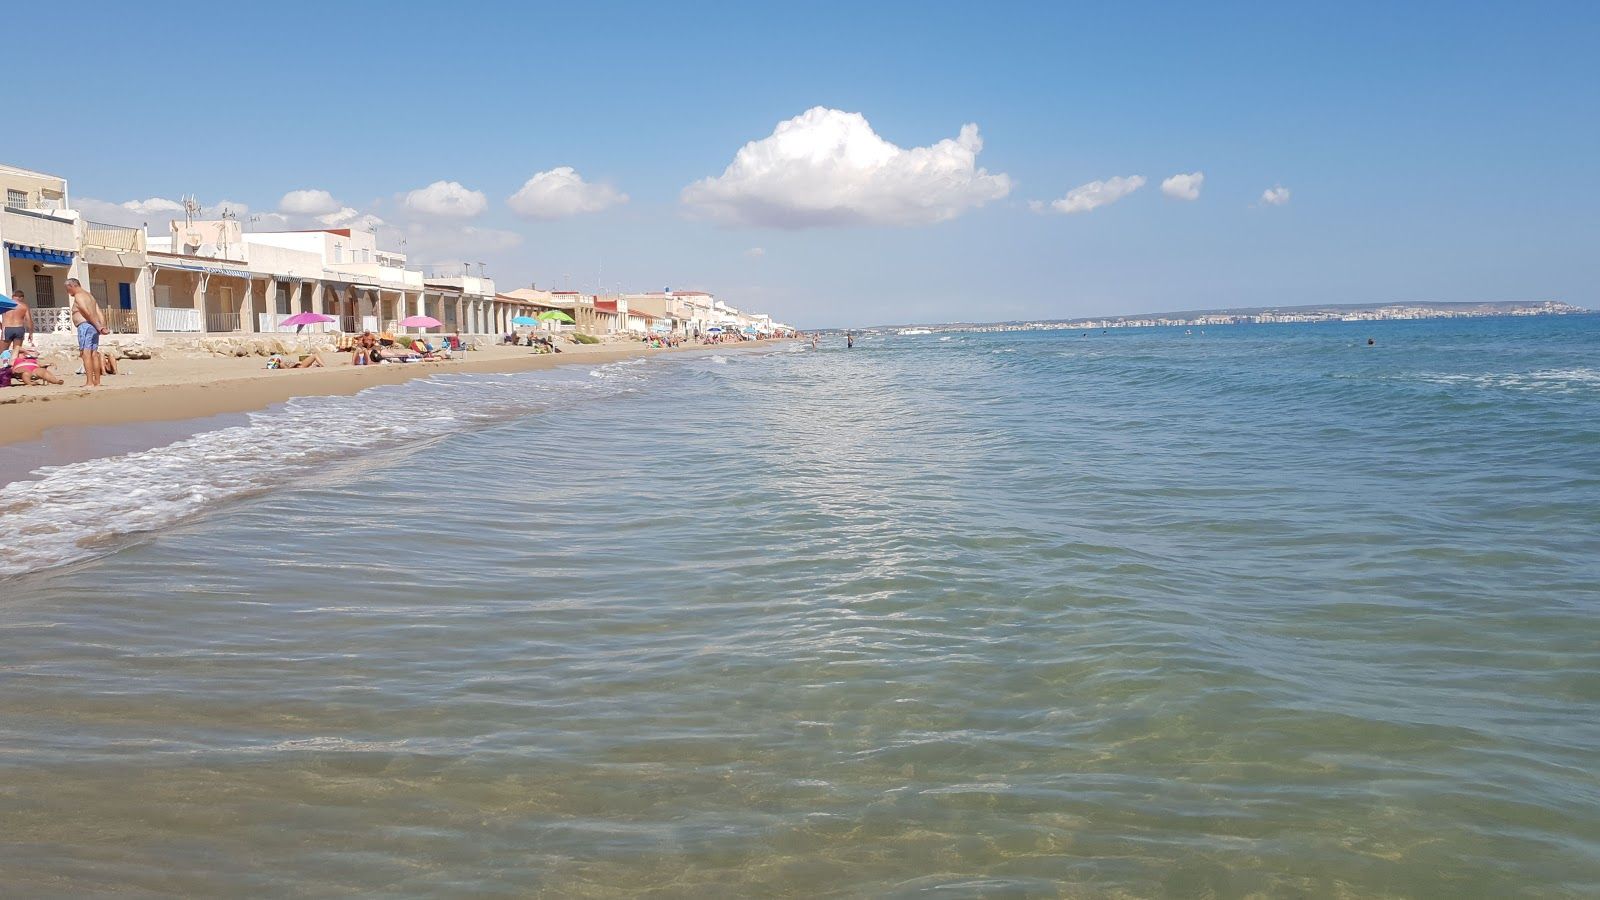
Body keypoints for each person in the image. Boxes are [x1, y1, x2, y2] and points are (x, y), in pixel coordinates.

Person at [65, 278, 107, 388]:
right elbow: (99, 312)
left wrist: (99, 327)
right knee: (94, 354)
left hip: (85, 326)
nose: (67, 292)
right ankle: (97, 381)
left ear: (72, 286)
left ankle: (89, 382)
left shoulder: (79, 296)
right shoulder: (90, 296)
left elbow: (87, 312)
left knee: (86, 354)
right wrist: (101, 326)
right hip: (93, 327)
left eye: (67, 289)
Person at [3, 288, 30, 358]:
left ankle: (3, 366)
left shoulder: (6, 304)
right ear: (21, 297)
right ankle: (13, 367)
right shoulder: (24, 306)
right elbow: (29, 320)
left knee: (2, 351)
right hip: (19, 329)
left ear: (12, 296)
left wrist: (0, 325)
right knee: (16, 351)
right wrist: (31, 333)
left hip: (7, 328)